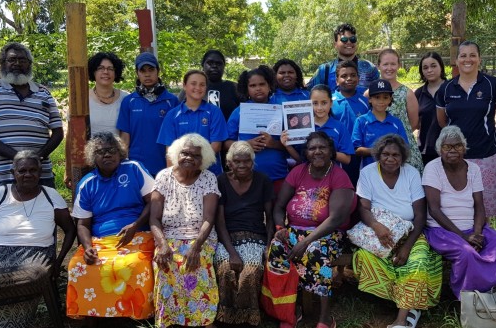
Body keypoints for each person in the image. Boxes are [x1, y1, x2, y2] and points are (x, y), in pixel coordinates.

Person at [0, 150, 75, 327]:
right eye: (22, 171)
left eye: (33, 170)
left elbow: (70, 229)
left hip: (34, 254)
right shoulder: (1, 193)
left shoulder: (50, 196)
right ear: (13, 173)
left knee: (30, 277)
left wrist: (58, 261)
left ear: (40, 172)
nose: (28, 174)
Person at [267, 131, 356, 328]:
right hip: (296, 231)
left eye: (322, 147)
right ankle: (289, 310)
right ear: (306, 152)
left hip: (328, 234)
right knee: (277, 247)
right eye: (312, 148)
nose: (317, 152)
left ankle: (325, 317)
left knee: (316, 251)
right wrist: (281, 227)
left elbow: (335, 219)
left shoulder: (339, 176)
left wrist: (305, 242)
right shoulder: (298, 171)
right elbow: (279, 206)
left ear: (331, 151)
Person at [422, 126, 496, 299]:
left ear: (464, 148)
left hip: (473, 228)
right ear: (440, 150)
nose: (453, 150)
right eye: (447, 147)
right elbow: (434, 210)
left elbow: (479, 206)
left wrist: (476, 233)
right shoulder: (432, 168)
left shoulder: (473, 168)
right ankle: (469, 299)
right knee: (467, 253)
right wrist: (464, 237)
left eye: (457, 146)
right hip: (442, 230)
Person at [353, 134, 441, 328]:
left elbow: (419, 215)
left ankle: (401, 320)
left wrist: (407, 247)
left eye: (396, 155)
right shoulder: (368, 172)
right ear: (378, 154)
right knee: (364, 259)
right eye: (385, 154)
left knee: (417, 263)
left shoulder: (411, 173)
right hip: (379, 233)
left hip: (410, 233)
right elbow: (363, 208)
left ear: (403, 157)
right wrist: (377, 227)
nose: (390, 159)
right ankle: (412, 303)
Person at [66, 132, 156, 322]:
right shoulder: (87, 183)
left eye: (111, 150)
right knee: (78, 265)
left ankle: (138, 315)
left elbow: (154, 201)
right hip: (101, 240)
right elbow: (82, 223)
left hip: (138, 234)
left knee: (134, 264)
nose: (107, 155)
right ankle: (93, 314)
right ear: (93, 157)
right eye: (101, 152)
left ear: (120, 152)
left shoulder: (134, 169)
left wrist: (135, 225)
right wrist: (88, 247)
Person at [150, 134, 220, 328]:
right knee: (165, 264)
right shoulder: (164, 177)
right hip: (169, 237)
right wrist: (162, 245)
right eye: (185, 153)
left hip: (200, 238)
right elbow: (154, 218)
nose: (189, 158)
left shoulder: (208, 178)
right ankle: (171, 319)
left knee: (195, 266)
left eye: (195, 155)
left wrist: (196, 246)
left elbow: (209, 218)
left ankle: (202, 320)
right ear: (175, 154)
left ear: (203, 159)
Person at [435, 41, 496, 218]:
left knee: (485, 210)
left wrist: (491, 139)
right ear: (456, 60)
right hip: (455, 158)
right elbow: (442, 122)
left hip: (487, 156)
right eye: (463, 55)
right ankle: (463, 245)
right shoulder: (446, 88)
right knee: (459, 209)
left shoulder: (493, 85)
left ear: (479, 59)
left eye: (472, 55)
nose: (467, 59)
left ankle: (486, 244)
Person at [0, 42, 63, 190]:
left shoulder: (44, 93)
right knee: (7, 213)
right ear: (3, 63)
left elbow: (58, 132)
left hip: (41, 173)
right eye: (12, 60)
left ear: (29, 64)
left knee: (45, 212)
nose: (17, 63)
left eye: (22, 60)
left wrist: (37, 158)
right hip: (6, 175)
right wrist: (21, 160)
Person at [214, 141, 275, 326]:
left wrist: (268, 246)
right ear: (229, 162)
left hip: (255, 237)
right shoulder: (221, 181)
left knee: (251, 270)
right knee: (226, 269)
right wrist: (232, 252)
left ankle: (248, 319)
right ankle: (226, 318)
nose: (242, 165)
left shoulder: (263, 180)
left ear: (253, 162)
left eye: (246, 161)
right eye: (237, 161)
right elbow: (220, 222)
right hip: (228, 237)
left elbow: (270, 217)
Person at [226, 65, 297, 193]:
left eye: (262, 84)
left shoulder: (281, 111)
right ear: (246, 89)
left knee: (276, 211)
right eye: (252, 86)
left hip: (277, 175)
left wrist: (273, 143)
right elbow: (226, 143)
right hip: (247, 177)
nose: (258, 89)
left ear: (269, 86)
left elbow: (291, 144)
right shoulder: (239, 112)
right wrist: (245, 145)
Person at [64, 52, 129, 189]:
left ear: (116, 72)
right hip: (89, 163)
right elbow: (71, 136)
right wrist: (68, 168)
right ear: (93, 72)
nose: (105, 72)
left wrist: (123, 159)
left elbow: (127, 133)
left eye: (110, 68)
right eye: (101, 68)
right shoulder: (81, 100)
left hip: (118, 162)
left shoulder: (126, 99)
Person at [116, 52, 180, 176]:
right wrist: (124, 165)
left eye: (151, 69)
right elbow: (124, 138)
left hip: (165, 167)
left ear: (158, 71)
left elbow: (177, 136)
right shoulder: (129, 102)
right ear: (137, 73)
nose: (147, 74)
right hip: (137, 168)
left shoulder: (171, 101)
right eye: (143, 70)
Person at [158, 70, 227, 175]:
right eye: (193, 83)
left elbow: (216, 146)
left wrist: (193, 165)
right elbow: (170, 151)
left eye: (202, 85)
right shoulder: (172, 115)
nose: (198, 88)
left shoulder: (214, 112)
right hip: (182, 175)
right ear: (184, 86)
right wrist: (172, 177)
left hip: (209, 174)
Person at [370, 49, 424, 172]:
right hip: (379, 147)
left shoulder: (407, 93)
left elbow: (414, 123)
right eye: (385, 64)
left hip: (403, 146)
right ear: (379, 66)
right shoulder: (370, 93)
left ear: (399, 65)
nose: (389, 68)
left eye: (393, 64)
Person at [353, 79, 409, 168]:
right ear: (370, 99)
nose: (381, 101)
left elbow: (404, 147)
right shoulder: (361, 121)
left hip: (392, 170)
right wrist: (379, 152)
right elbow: (356, 149)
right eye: (377, 97)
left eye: (385, 97)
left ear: (390, 99)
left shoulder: (396, 122)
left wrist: (388, 154)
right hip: (369, 170)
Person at [308, 23, 379, 90]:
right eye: (344, 39)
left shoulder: (370, 68)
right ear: (335, 44)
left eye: (352, 39)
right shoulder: (324, 70)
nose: (349, 42)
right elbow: (307, 92)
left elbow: (381, 93)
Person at [332, 60, 369, 183]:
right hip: (338, 155)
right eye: (344, 76)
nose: (349, 78)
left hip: (359, 154)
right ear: (337, 80)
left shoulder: (365, 102)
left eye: (353, 75)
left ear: (358, 78)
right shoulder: (330, 102)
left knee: (358, 186)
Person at [179, 50, 240, 120]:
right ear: (203, 65)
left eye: (219, 63)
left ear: (224, 66)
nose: (214, 66)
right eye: (210, 63)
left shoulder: (234, 88)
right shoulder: (191, 88)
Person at [414, 52, 448, 164]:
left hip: (450, 148)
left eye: (433, 66)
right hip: (426, 150)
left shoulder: (452, 89)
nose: (429, 70)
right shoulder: (419, 94)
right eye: (425, 67)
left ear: (441, 67)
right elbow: (415, 123)